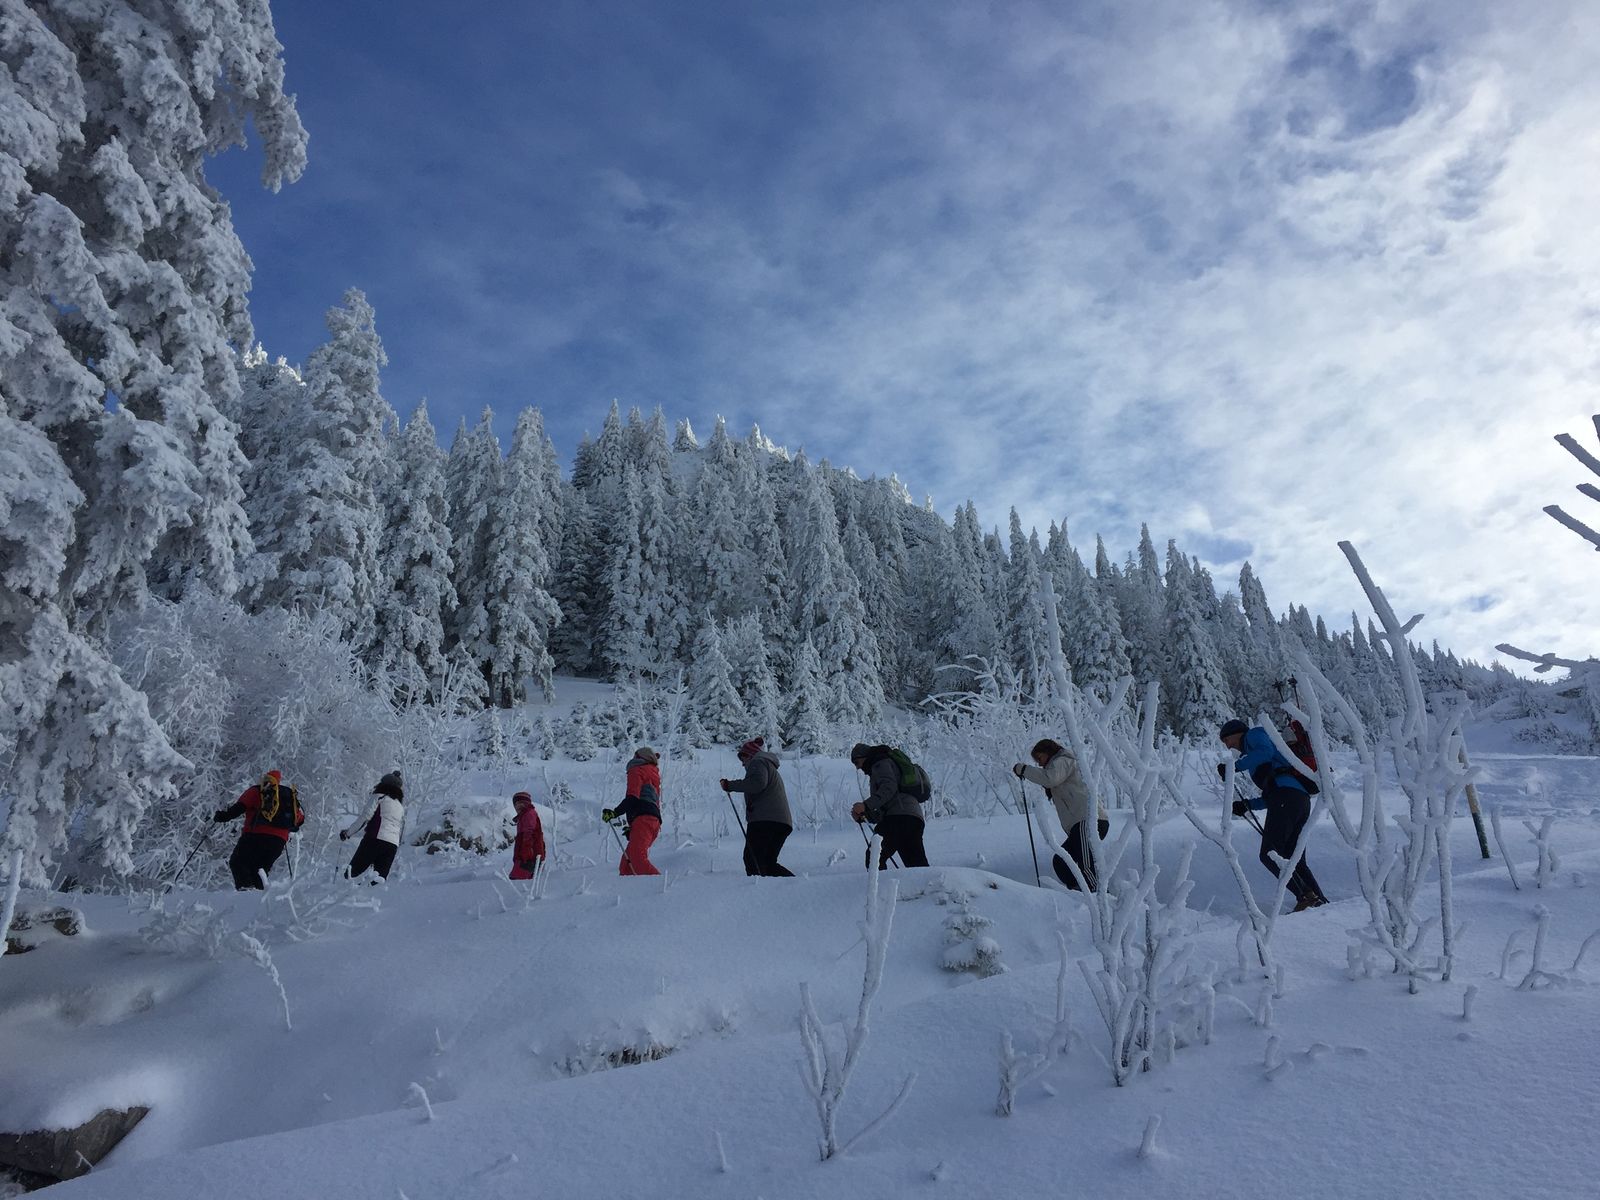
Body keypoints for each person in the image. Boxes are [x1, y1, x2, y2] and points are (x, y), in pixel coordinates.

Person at [1218, 718, 1329, 911]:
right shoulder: (1255, 755)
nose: (1227, 745)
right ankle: (1319, 903)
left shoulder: (1255, 735)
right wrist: (1248, 805)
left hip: (1287, 798)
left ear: (1238, 732)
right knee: (1294, 859)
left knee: (1270, 854)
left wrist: (1234, 767)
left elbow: (1265, 752)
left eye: (1227, 739)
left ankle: (1306, 897)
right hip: (1297, 800)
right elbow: (1274, 791)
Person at [1013, 738, 1108, 890]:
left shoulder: (1063, 760)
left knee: (1086, 864)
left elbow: (1049, 779)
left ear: (1049, 752)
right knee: (1061, 861)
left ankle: (1100, 895)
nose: (1039, 763)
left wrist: (1024, 769)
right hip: (1079, 824)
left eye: (1039, 758)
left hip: (1088, 819)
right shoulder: (1058, 766)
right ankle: (1080, 892)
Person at [214, 769, 304, 890]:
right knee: (261, 871)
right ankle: (257, 901)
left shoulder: (257, 790)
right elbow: (300, 820)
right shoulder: (289, 796)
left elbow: (240, 807)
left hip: (254, 836)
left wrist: (223, 816)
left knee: (238, 863)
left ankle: (246, 895)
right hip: (278, 841)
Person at [720, 737, 794, 877]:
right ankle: (792, 888)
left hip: (765, 820)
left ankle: (757, 891)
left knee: (753, 860)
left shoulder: (758, 762)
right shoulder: (767, 764)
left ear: (751, 754)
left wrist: (731, 785)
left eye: (744, 758)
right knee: (767, 862)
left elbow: (757, 784)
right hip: (780, 821)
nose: (743, 764)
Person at [848, 743, 930, 869]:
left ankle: (880, 888)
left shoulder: (880, 763)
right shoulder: (882, 764)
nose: (858, 767)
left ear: (864, 757)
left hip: (900, 817)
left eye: (857, 762)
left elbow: (889, 788)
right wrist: (865, 816)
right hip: (912, 817)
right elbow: (886, 805)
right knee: (916, 863)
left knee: (875, 856)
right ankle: (932, 887)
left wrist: (865, 805)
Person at [603, 746, 662, 876]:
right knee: (626, 866)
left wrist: (614, 813)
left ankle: (661, 887)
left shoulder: (637, 769)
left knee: (637, 860)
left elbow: (632, 797)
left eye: (635, 756)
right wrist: (633, 825)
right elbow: (651, 801)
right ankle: (632, 894)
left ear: (639, 758)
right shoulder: (653, 773)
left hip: (643, 819)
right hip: (653, 821)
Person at [340, 771, 404, 881]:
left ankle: (341, 896)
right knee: (377, 881)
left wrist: (348, 833)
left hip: (375, 840)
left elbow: (365, 818)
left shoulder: (379, 797)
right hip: (392, 845)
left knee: (351, 873)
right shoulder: (400, 806)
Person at [509, 791, 547, 880]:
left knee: (517, 880)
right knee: (518, 878)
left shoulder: (529, 814)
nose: (518, 806)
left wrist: (526, 854)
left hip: (530, 856)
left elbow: (529, 834)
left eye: (521, 803)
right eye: (516, 804)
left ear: (527, 803)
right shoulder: (523, 816)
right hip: (526, 855)